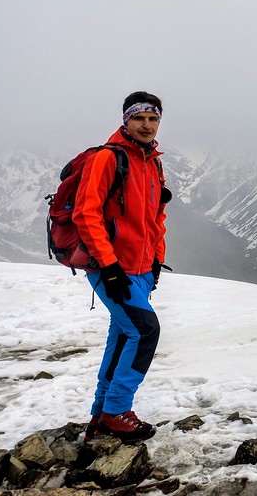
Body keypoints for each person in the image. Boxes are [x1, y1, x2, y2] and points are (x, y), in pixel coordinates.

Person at [73, 91, 171, 443]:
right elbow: (86, 213)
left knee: (123, 335)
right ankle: (116, 412)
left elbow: (155, 218)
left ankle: (101, 415)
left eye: (153, 118)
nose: (146, 125)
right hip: (111, 268)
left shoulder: (152, 162)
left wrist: (156, 260)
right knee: (144, 331)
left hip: (141, 270)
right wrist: (109, 265)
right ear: (126, 120)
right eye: (139, 118)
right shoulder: (109, 158)